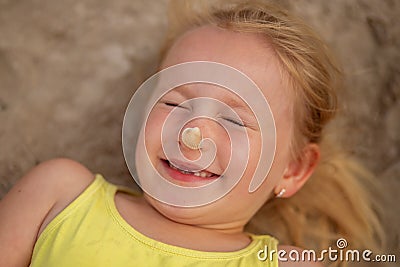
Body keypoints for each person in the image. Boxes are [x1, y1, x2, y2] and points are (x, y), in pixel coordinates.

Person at [0, 1, 385, 266]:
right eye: (174, 104)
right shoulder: (61, 195)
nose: (192, 134)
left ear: (293, 169)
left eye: (233, 120)